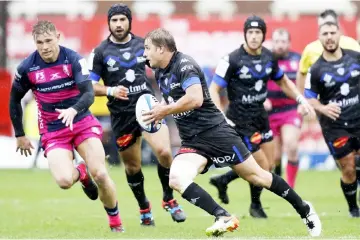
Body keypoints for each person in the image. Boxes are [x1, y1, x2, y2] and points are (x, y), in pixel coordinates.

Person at [142, 27, 321, 237]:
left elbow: (195, 98)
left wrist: (165, 110)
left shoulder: (185, 66)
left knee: (258, 176)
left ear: (162, 49)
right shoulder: (160, 70)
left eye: (147, 48)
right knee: (176, 179)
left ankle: (304, 209)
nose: (145, 53)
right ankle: (223, 216)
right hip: (193, 140)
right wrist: (159, 110)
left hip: (217, 133)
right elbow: (172, 97)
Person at [9, 20, 124, 232]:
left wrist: (73, 109)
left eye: (48, 40)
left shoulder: (72, 59)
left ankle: (115, 222)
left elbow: (89, 93)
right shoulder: (27, 67)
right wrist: (20, 134)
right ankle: (81, 172)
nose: (44, 46)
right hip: (53, 130)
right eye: (39, 42)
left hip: (81, 121)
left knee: (99, 173)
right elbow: (14, 99)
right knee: (63, 181)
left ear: (58, 38)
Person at [88, 4, 185, 225]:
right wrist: (110, 90)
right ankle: (144, 208)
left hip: (148, 108)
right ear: (109, 23)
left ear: (129, 21)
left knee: (164, 152)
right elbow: (89, 86)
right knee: (133, 167)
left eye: (122, 19)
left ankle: (168, 199)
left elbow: (164, 69)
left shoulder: (145, 45)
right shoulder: (100, 52)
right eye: (114, 20)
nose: (119, 24)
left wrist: (165, 97)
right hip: (122, 116)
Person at [208, 16, 312, 219]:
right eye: (250, 32)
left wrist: (300, 98)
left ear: (263, 35)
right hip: (239, 121)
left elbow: (282, 82)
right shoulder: (232, 59)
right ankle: (255, 206)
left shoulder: (269, 57)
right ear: (245, 34)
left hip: (261, 118)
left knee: (271, 164)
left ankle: (225, 181)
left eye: (258, 33)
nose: (254, 36)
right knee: (262, 167)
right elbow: (213, 89)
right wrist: (220, 115)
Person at [297, 9, 360, 198]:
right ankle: (352, 208)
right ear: (319, 38)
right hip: (335, 125)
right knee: (348, 167)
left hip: (358, 117)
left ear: (340, 34)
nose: (330, 37)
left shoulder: (355, 57)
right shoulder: (316, 69)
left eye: (333, 33)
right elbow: (309, 97)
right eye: (325, 34)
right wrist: (322, 108)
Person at [264, 28, 302, 188]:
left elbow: (305, 84)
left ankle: (290, 186)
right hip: (269, 113)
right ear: (272, 42)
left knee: (291, 145)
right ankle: (278, 181)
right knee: (275, 156)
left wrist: (302, 102)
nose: (280, 45)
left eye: (283, 41)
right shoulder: (264, 60)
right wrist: (262, 99)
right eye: (277, 41)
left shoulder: (298, 60)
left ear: (289, 43)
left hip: (290, 110)